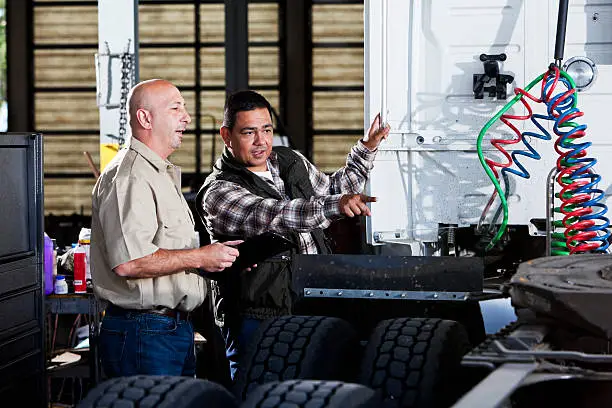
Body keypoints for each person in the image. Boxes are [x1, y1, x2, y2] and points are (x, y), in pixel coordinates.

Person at [198, 90, 389, 379]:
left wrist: (367, 147)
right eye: (249, 132)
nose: (261, 141)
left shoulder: (288, 161)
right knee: (263, 392)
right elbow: (276, 214)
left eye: (266, 130)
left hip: (312, 303)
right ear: (226, 135)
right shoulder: (219, 192)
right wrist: (334, 205)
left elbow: (334, 188)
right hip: (258, 317)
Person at [91, 79, 241, 378]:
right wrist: (200, 257)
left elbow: (168, 251)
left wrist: (216, 260)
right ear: (145, 118)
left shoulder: (159, 173)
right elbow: (129, 262)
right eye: (175, 108)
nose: (186, 117)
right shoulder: (131, 177)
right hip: (144, 332)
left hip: (167, 330)